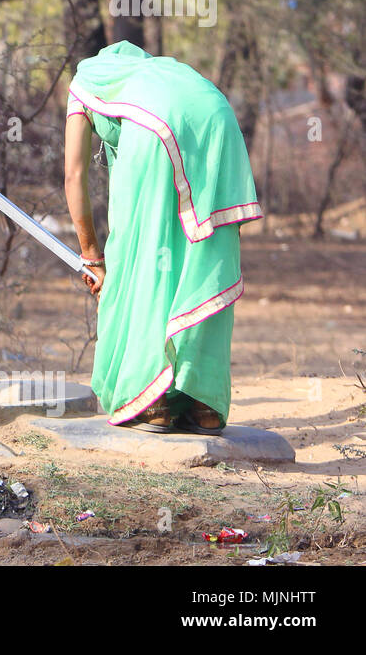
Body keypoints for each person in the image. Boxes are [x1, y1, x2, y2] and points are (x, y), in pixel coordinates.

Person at [64, 41, 263, 434]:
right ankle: (201, 401)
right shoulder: (159, 74)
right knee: (204, 255)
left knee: (142, 256)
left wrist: (93, 257)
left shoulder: (86, 82)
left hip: (156, 128)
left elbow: (73, 175)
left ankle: (153, 401)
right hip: (218, 118)